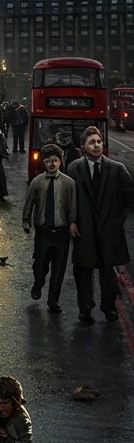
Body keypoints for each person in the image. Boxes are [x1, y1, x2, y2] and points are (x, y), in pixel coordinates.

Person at [66, 125, 134, 325]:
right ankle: (85, 309)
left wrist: (118, 221)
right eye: (92, 142)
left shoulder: (116, 169)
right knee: (83, 272)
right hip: (84, 230)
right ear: (82, 147)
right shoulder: (73, 168)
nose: (96, 145)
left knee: (108, 274)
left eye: (99, 142)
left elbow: (130, 198)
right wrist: (71, 221)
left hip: (108, 231)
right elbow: (68, 199)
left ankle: (109, 308)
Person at [21, 143, 77, 313]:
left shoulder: (69, 183)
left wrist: (73, 222)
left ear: (60, 161)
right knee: (40, 264)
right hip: (43, 231)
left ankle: (53, 300)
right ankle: (38, 283)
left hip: (62, 232)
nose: (52, 164)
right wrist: (26, 221)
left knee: (59, 268)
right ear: (43, 163)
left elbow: (73, 206)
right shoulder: (37, 182)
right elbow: (29, 203)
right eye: (48, 161)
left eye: (55, 160)